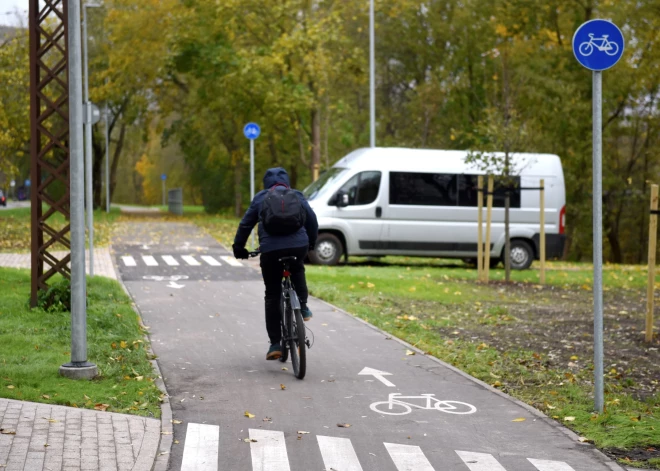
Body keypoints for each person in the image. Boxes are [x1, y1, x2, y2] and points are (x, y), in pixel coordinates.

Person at [232, 167, 319, 360]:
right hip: (298, 246)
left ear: (265, 183)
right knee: (297, 269)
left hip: (271, 250)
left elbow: (246, 224)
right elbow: (312, 220)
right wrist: (311, 243)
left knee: (272, 294)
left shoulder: (261, 197)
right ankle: (303, 307)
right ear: (287, 181)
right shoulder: (296, 195)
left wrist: (239, 248)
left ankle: (275, 344)